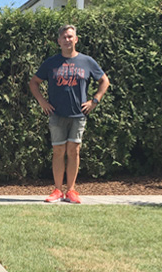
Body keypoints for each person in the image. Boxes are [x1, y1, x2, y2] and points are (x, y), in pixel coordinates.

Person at [29, 24, 109, 204]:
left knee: (74, 151)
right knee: (58, 151)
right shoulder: (51, 63)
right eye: (64, 37)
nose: (67, 40)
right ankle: (58, 190)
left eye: (70, 36)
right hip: (56, 114)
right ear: (59, 41)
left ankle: (71, 190)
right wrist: (42, 101)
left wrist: (94, 100)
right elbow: (34, 82)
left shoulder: (87, 61)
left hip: (78, 115)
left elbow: (104, 81)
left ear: (76, 39)